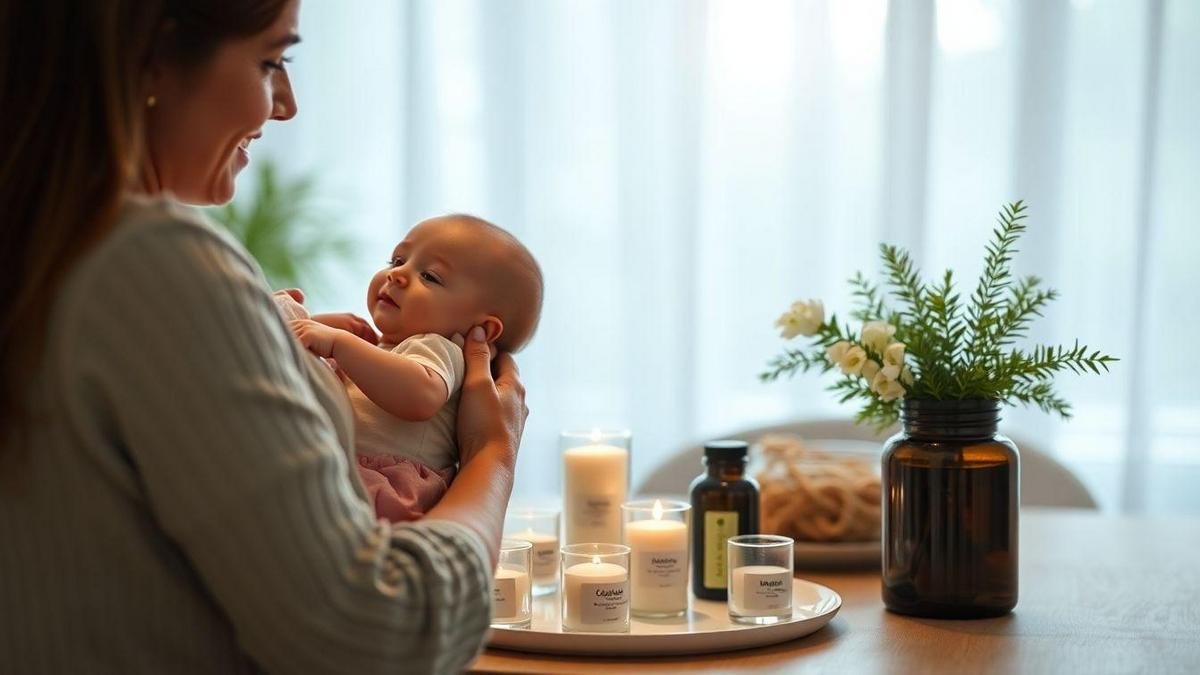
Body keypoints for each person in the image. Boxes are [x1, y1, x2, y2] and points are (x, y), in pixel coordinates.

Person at [0, 1, 527, 673]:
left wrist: (270, 326)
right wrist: (492, 456)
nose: (286, 106)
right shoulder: (157, 260)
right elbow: (374, 635)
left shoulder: (46, 251)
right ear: (151, 58)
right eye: (271, 60)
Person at [278, 215, 543, 522]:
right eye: (397, 260)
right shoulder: (386, 349)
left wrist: (339, 344)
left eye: (430, 276)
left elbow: (421, 394)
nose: (398, 274)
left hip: (385, 488)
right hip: (347, 473)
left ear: (481, 327)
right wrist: (313, 327)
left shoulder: (441, 348)